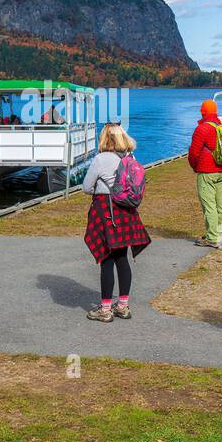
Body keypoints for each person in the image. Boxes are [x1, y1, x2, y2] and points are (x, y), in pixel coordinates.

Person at [83, 123, 151, 321]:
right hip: (126, 211)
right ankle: (123, 306)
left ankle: (105, 310)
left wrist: (100, 186)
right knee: (122, 259)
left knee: (106, 259)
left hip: (107, 211)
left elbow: (87, 187)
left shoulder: (101, 158)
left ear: (104, 138)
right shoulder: (130, 157)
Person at [188, 99, 222, 248]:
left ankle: (212, 238)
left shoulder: (202, 129)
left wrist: (194, 166)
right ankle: (220, 234)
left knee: (209, 204)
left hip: (207, 171)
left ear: (203, 111)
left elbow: (194, 153)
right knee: (221, 203)